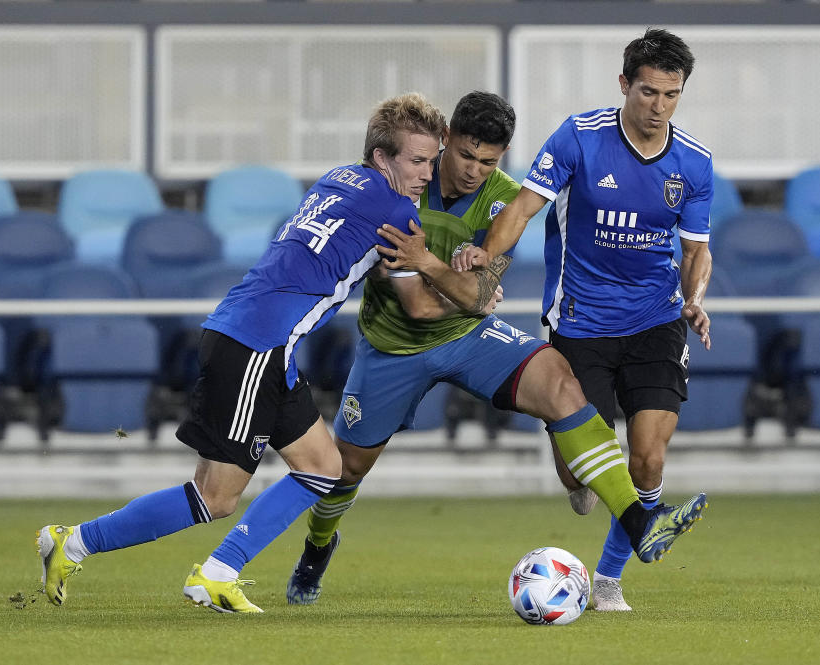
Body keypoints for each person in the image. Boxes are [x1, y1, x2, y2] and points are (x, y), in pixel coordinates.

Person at [285, 90, 708, 606]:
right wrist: (467, 294)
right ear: (445, 142)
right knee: (346, 470)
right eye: (465, 155)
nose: (473, 170)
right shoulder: (399, 185)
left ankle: (639, 521)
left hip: (469, 338)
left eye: (488, 161)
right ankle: (317, 549)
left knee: (558, 380)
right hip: (394, 348)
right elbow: (420, 308)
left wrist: (447, 276)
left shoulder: (504, 196)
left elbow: (482, 295)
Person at [35, 92, 448, 613]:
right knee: (215, 497)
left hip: (252, 336)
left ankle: (218, 571)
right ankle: (73, 542)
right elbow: (419, 306)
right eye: (417, 160)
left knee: (323, 466)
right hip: (258, 345)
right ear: (382, 158)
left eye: (433, 160)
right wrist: (471, 291)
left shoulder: (338, 177)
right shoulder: (396, 210)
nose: (427, 172)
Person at [452, 29, 714, 612]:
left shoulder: (694, 162)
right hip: (579, 322)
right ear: (625, 84)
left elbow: (696, 250)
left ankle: (610, 579)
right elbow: (521, 208)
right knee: (578, 476)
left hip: (655, 319)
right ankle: (582, 482)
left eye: (672, 95)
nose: (659, 106)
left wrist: (694, 296)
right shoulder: (578, 138)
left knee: (647, 455)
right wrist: (486, 266)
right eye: (649, 92)